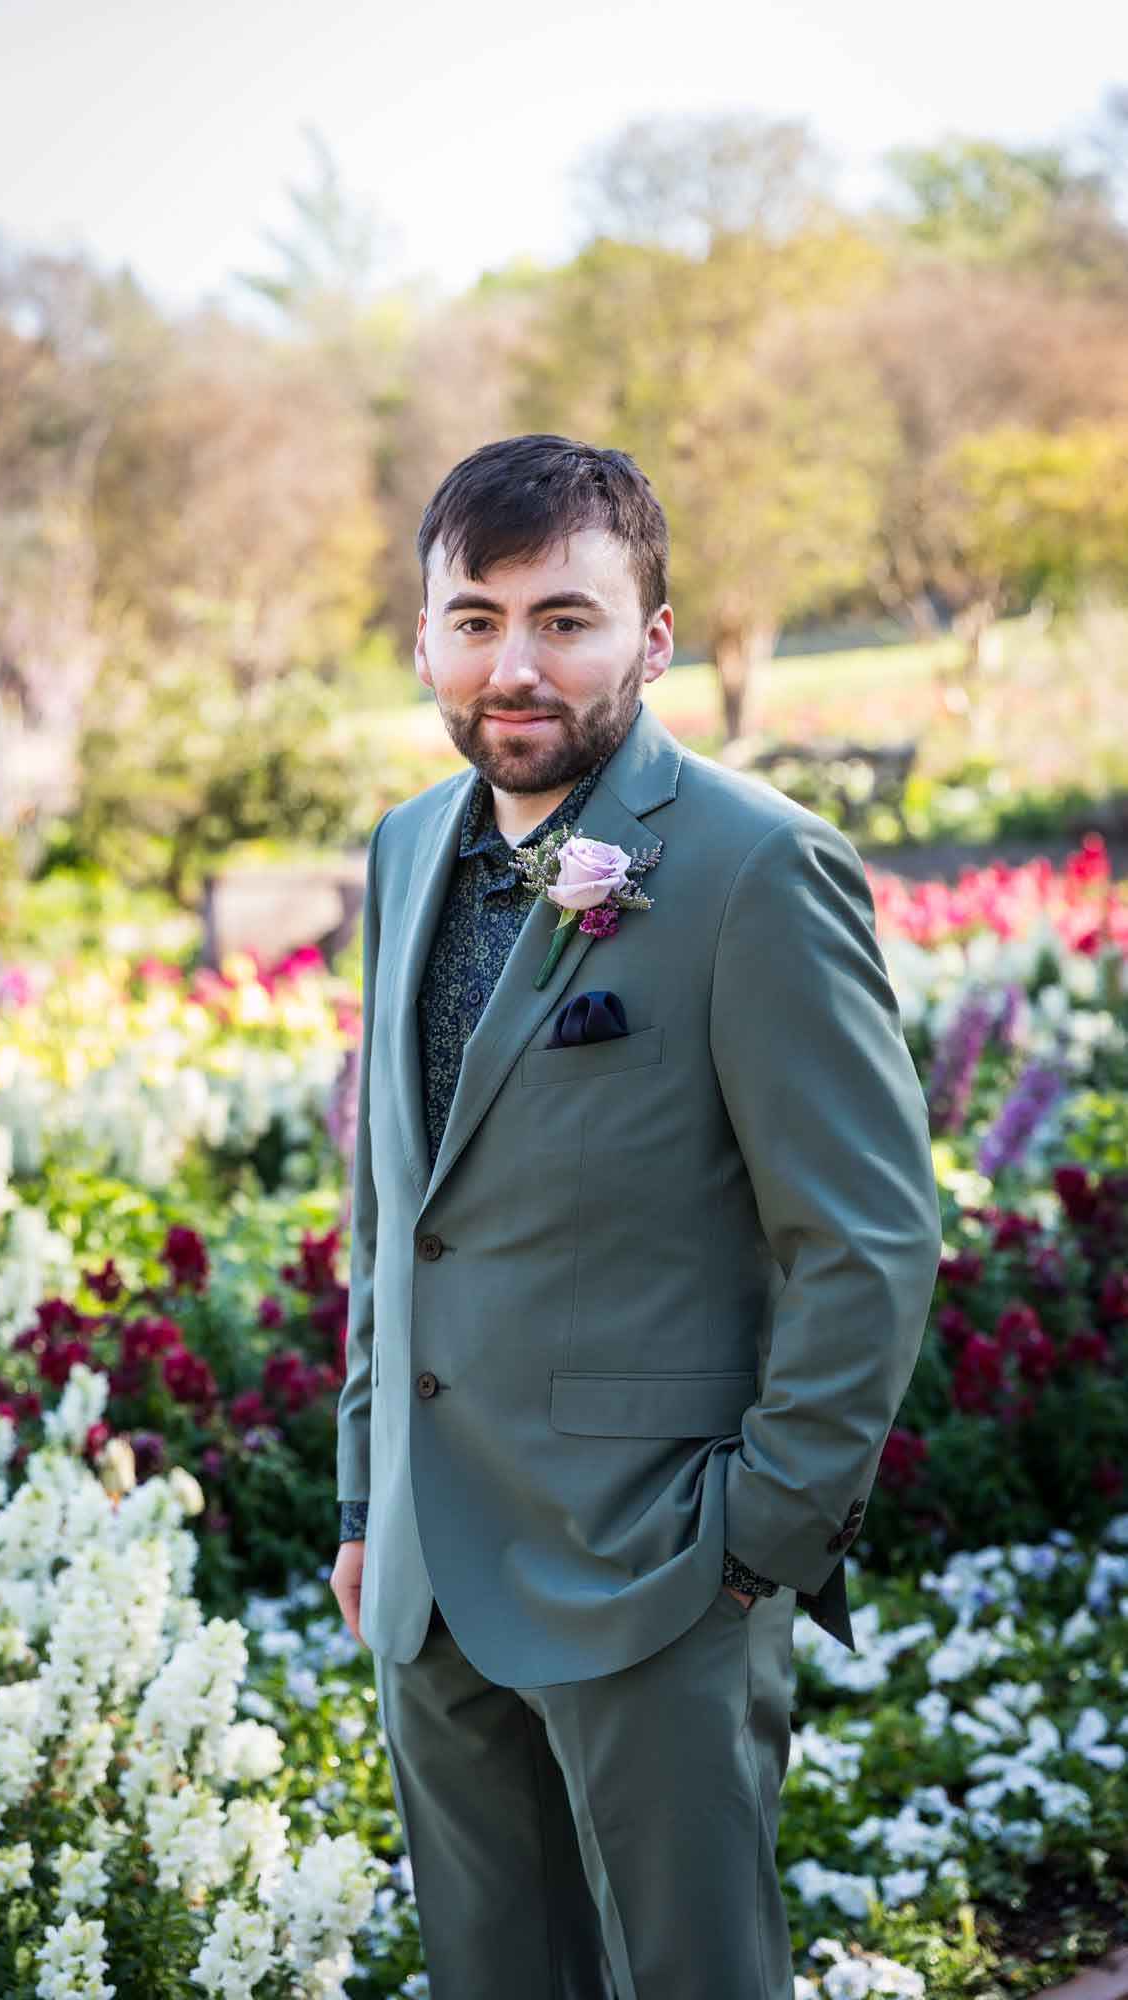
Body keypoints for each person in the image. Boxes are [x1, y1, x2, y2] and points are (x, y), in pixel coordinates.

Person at [330, 433, 942, 2000]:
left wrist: (756, 1543)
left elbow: (862, 1240)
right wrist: (360, 1503)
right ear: (425, 637)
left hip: (653, 1567)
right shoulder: (406, 847)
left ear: (651, 640)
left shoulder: (754, 867)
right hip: (425, 1571)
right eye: (474, 618)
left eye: (564, 618)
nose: (512, 665)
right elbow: (399, 1206)